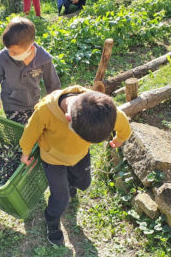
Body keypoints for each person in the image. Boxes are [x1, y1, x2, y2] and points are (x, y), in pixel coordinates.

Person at [19, 86, 132, 245]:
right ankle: (52, 219)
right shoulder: (45, 111)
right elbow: (30, 131)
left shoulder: (101, 109)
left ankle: (71, 185)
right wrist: (25, 152)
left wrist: (121, 138)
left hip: (80, 155)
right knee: (61, 198)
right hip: (53, 159)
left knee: (83, 182)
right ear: (68, 119)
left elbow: (122, 121)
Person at [0, 17, 61, 124]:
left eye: (15, 52)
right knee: (20, 132)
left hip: (34, 102)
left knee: (37, 130)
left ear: (30, 48)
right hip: (12, 105)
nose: (11, 54)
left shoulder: (44, 59)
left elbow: (53, 84)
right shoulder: (4, 56)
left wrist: (55, 105)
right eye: (8, 50)